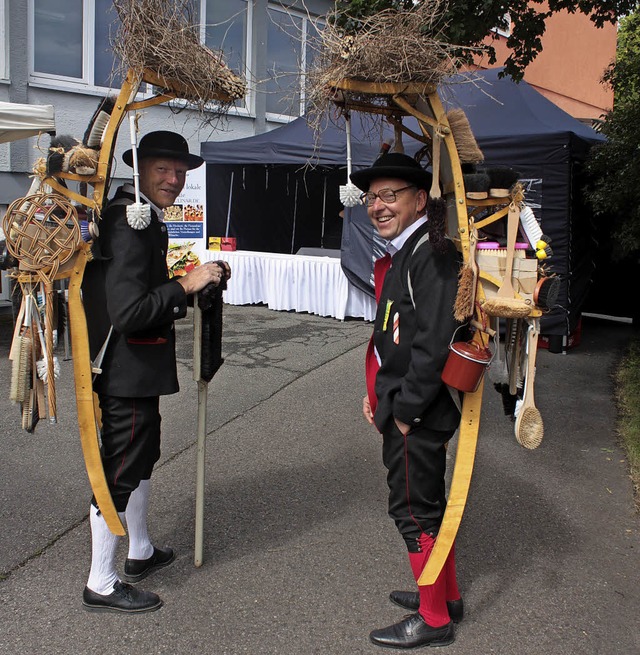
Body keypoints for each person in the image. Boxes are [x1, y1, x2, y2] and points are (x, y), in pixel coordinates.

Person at [81, 131, 230, 613]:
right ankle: (100, 582)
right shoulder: (129, 220)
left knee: (143, 455)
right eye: (163, 169)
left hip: (140, 369)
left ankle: (139, 551)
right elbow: (126, 312)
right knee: (119, 470)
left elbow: (146, 295)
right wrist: (186, 284)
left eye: (180, 171)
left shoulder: (143, 216)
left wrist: (189, 286)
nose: (174, 178)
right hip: (123, 370)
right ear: (139, 168)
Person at [351, 152, 463, 648]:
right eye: (373, 197)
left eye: (390, 195)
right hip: (407, 406)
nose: (378, 205)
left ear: (420, 200)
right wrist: (380, 391)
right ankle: (446, 595)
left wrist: (405, 411)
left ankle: (435, 619)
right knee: (430, 508)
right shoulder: (410, 249)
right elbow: (394, 335)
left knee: (414, 512)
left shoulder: (431, 254)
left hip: (417, 412)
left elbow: (435, 341)